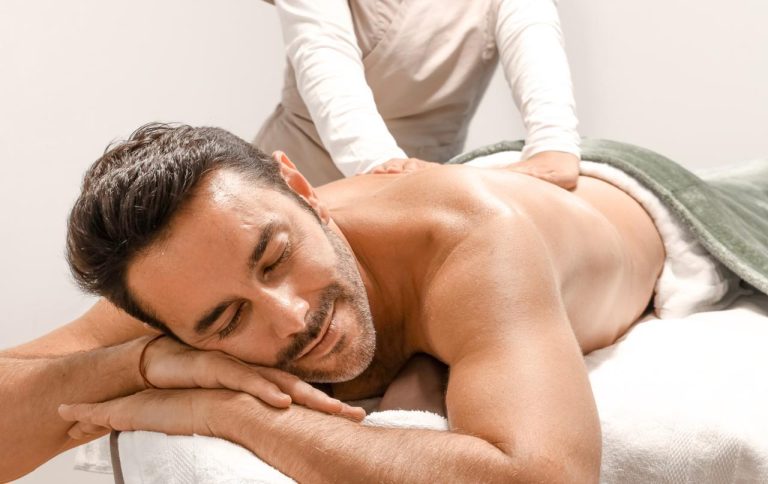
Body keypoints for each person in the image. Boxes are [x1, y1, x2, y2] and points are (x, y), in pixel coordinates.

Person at [0, 124, 666, 482]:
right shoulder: (188, 276)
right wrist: (143, 366)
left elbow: (544, 478)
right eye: (229, 320)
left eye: (276, 259)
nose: (291, 316)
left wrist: (230, 413)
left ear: (302, 189)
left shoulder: (471, 239)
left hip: (643, 194)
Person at [255, 0, 582, 188]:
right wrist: (380, 163)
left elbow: (535, 38)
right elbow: (324, 52)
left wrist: (554, 144)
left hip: (425, 193)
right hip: (300, 174)